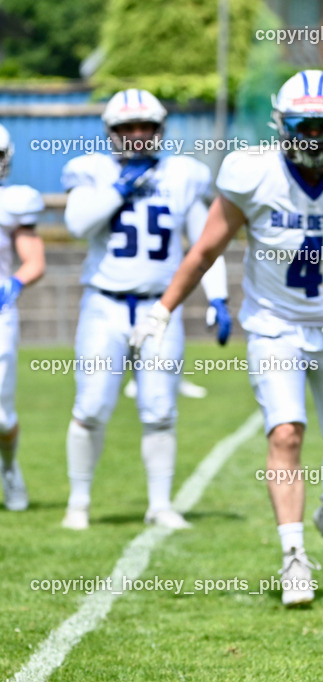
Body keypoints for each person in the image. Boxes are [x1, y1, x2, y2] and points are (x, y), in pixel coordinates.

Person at [131, 70, 323, 607]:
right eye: (303, 125)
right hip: (274, 325)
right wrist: (161, 311)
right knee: (286, 434)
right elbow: (204, 250)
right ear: (281, 125)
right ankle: (294, 556)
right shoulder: (251, 174)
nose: (314, 136)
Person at [61, 89, 231, 531]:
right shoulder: (92, 171)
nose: (137, 136)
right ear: (111, 133)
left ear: (160, 130)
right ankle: (78, 501)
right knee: (93, 405)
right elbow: (78, 224)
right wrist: (119, 188)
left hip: (161, 308)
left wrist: (218, 297)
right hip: (105, 305)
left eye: (145, 128)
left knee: (159, 409)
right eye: (127, 129)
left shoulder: (182, 174)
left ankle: (160, 504)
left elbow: (206, 245)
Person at [0, 123, 46, 511]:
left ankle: (10, 468)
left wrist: (11, 285)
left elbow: (34, 261)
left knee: (0, 417)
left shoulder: (12, 202)